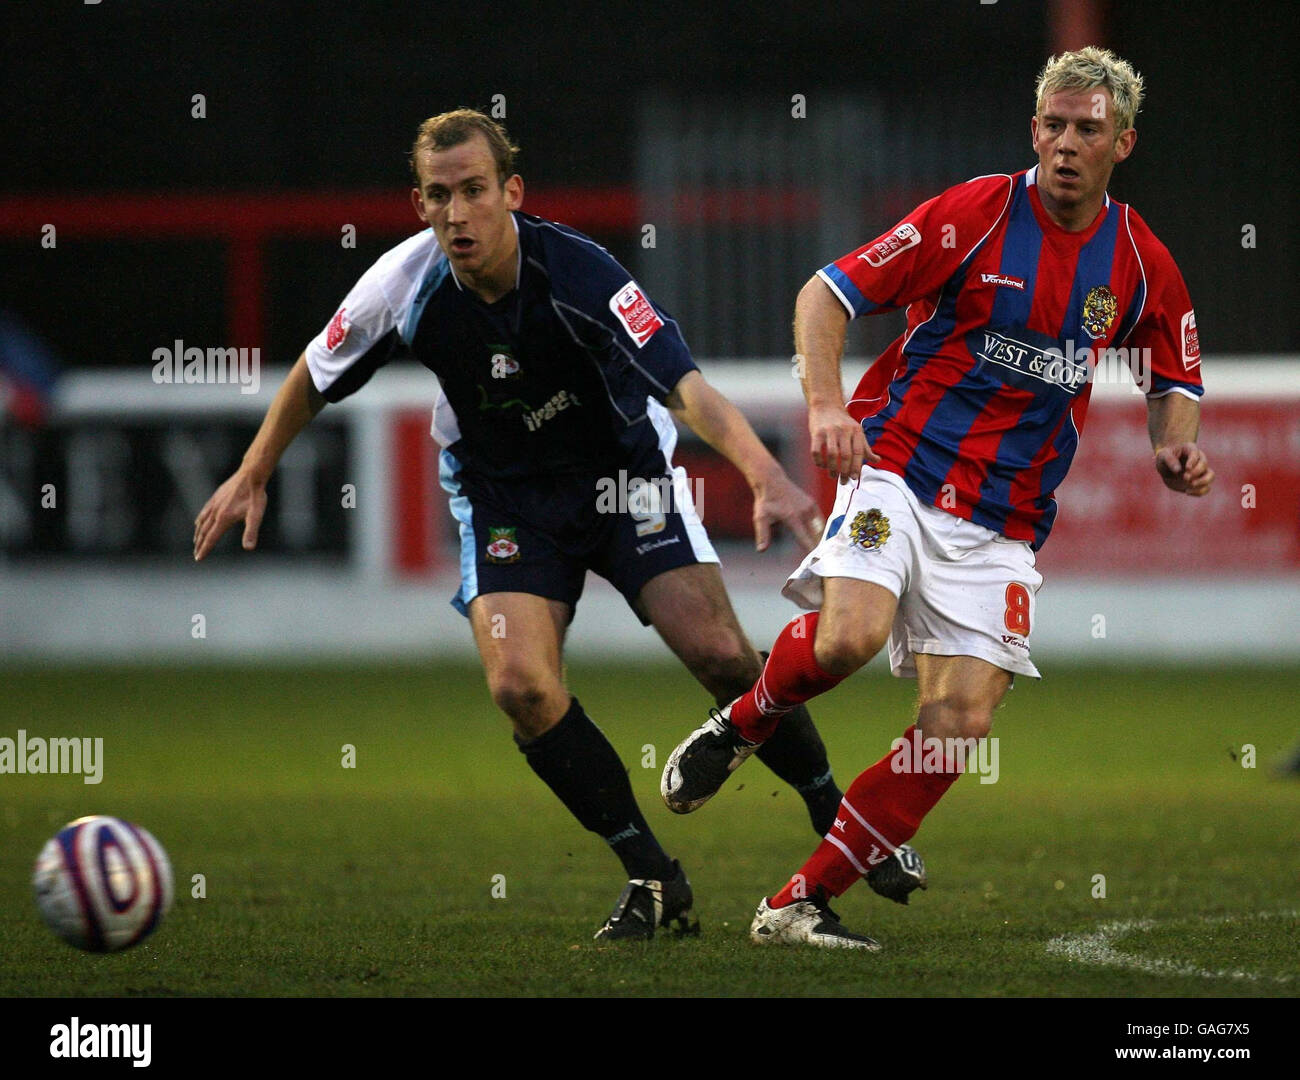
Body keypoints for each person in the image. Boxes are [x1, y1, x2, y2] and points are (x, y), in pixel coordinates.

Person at [192, 109, 924, 941]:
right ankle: (652, 876)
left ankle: (839, 820)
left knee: (723, 655)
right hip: (506, 500)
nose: (457, 213)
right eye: (439, 196)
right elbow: (313, 375)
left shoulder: (582, 274)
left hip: (626, 480)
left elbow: (683, 386)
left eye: (473, 191)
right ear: (419, 203)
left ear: (511, 191)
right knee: (521, 687)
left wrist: (763, 475)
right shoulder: (402, 286)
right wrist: (253, 472)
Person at [661, 47, 1214, 949]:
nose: (1067, 144)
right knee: (849, 637)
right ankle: (747, 718)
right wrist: (828, 405)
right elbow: (825, 293)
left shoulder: (1140, 261)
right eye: (1054, 126)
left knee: (959, 723)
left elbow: (1175, 373)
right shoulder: (977, 213)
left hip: (1004, 524)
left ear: (1124, 141)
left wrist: (1176, 447)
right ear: (1034, 129)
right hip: (901, 472)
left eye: (1089, 129)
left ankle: (797, 904)